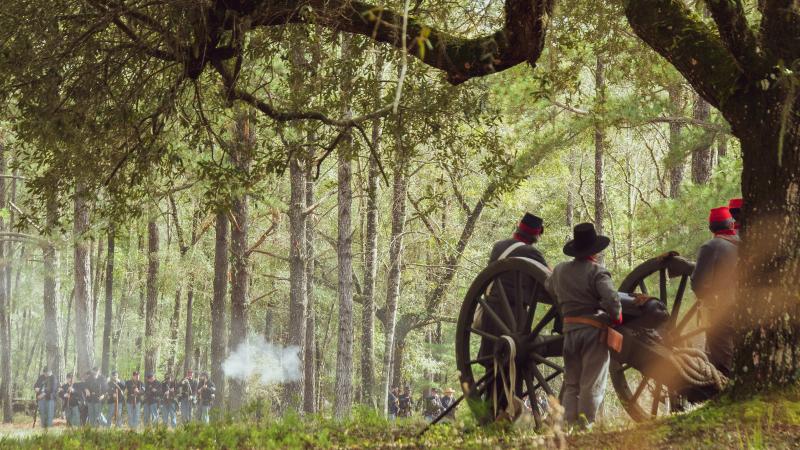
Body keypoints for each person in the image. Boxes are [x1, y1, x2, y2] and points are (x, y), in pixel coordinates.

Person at [545, 222, 622, 428]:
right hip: (592, 333)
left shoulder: (560, 270)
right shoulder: (597, 272)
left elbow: (548, 287)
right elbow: (612, 300)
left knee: (572, 382)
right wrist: (616, 316)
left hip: (569, 332)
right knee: (591, 382)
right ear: (594, 252)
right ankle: (584, 425)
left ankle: (569, 424)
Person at [691, 206, 740, 376]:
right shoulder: (744, 243)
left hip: (721, 310)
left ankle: (727, 390)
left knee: (722, 357)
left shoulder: (711, 246)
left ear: (711, 228)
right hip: (743, 308)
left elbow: (697, 284)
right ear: (731, 224)